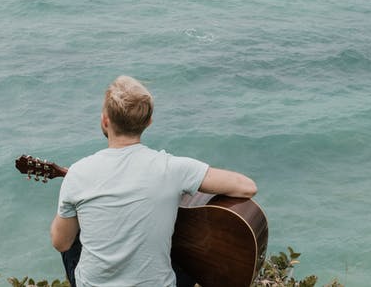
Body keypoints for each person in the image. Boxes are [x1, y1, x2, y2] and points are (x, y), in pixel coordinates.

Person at [49, 75, 258, 287]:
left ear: (105, 120)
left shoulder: (78, 172)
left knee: (71, 227)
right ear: (149, 122)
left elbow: (61, 243)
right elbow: (247, 187)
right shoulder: (173, 168)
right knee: (190, 255)